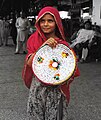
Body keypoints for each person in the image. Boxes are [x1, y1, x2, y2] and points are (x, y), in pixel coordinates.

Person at [22, 6, 80, 120]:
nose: (46, 24)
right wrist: (44, 46)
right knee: (35, 115)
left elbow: (70, 69)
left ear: (57, 22)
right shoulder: (34, 39)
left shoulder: (63, 46)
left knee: (54, 116)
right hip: (37, 87)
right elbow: (29, 63)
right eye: (42, 21)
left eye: (50, 21)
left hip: (56, 89)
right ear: (38, 22)